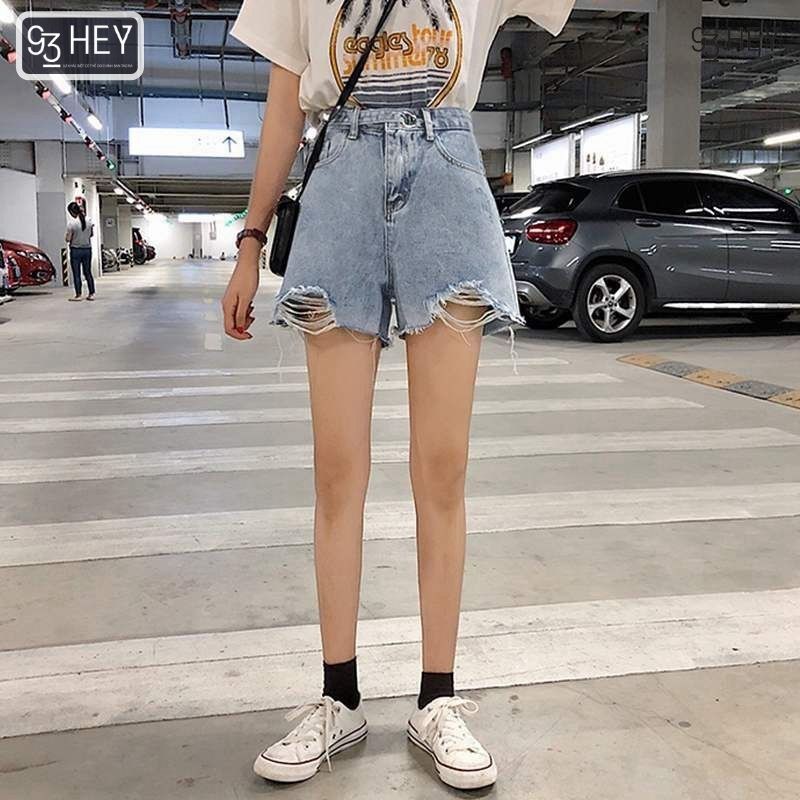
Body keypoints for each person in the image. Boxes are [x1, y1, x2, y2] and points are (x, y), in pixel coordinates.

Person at [222, 0, 575, 790]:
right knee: (337, 470)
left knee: (442, 468)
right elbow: (284, 103)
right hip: (339, 185)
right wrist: (249, 242)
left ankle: (437, 698)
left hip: (447, 177)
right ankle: (339, 697)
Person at [65, 202, 96, 301]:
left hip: (76, 250)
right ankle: (92, 293)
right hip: (87, 249)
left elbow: (68, 239)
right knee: (88, 272)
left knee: (77, 273)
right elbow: (91, 234)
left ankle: (78, 295)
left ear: (72, 212)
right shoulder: (89, 221)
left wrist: (71, 237)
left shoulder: (72, 223)